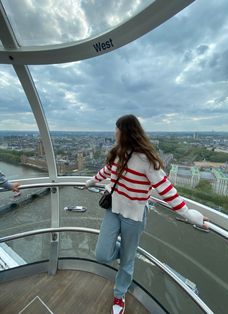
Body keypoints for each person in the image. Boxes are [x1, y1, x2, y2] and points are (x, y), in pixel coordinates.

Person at [85, 114, 208, 314]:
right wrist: (91, 182)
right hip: (113, 210)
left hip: (133, 217)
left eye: (117, 129)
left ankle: (119, 295)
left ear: (126, 131)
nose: (114, 132)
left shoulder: (145, 159)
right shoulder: (117, 153)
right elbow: (107, 171)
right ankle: (126, 253)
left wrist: (188, 214)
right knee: (102, 254)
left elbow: (165, 189)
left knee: (127, 262)